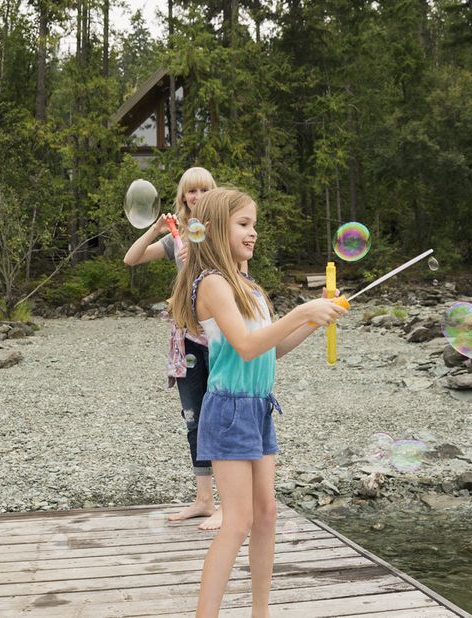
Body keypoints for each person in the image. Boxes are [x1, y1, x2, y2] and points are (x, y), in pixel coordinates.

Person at [167, 187, 347, 617]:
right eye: (243, 224)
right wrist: (302, 311)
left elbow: (272, 349)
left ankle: (260, 613)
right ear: (211, 231)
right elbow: (246, 346)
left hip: (259, 406)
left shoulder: (250, 286)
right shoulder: (211, 284)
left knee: (267, 515)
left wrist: (317, 320)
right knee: (238, 522)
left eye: (254, 225)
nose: (253, 234)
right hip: (228, 410)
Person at [123, 167, 227, 531]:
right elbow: (131, 259)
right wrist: (154, 228)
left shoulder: (223, 233)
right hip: (185, 339)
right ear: (182, 197)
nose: (196, 196)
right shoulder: (176, 236)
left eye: (203, 190)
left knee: (223, 414)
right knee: (194, 418)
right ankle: (203, 499)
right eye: (190, 191)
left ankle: (227, 504)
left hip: (220, 336)